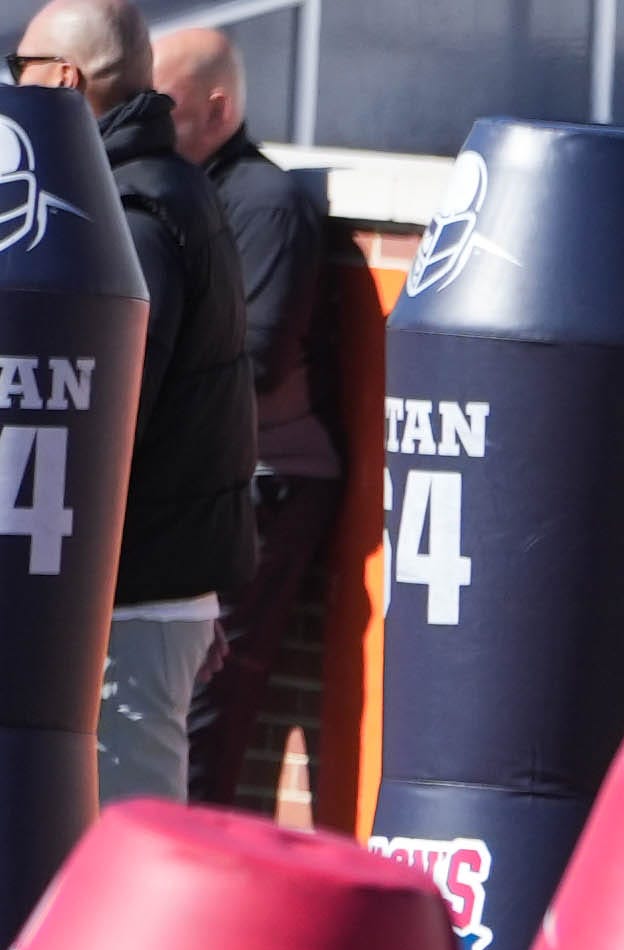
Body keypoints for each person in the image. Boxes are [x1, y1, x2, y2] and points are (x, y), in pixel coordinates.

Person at [13, 0, 255, 806]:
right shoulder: (163, 190)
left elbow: (114, 420)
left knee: (119, 849)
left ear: (64, 78)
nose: (13, 87)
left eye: (20, 68)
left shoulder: (130, 215)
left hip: (127, 603)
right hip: (145, 596)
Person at [155, 26, 343, 811]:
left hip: (264, 483)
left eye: (160, 105)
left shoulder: (263, 203)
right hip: (197, 481)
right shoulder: (160, 191)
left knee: (204, 705)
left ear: (218, 108)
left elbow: (254, 362)